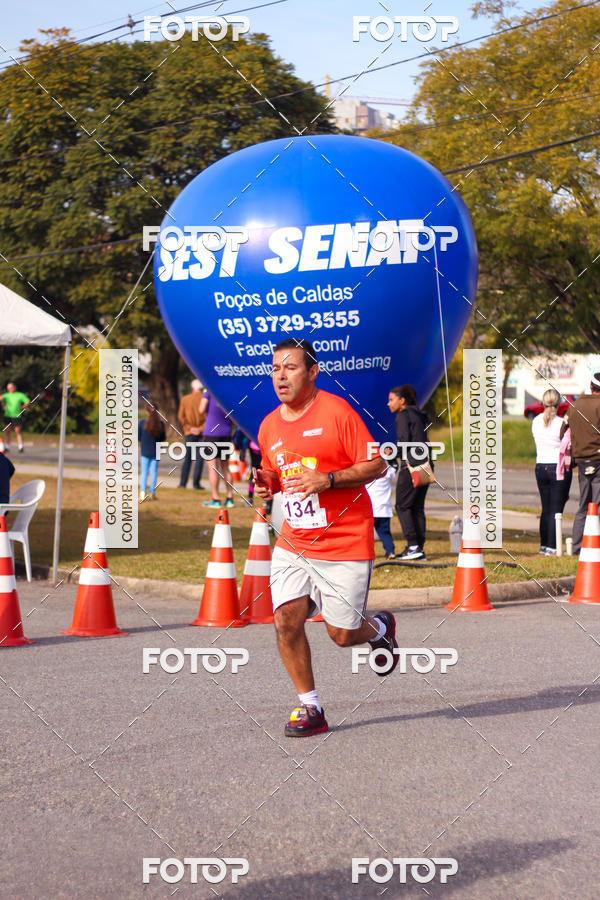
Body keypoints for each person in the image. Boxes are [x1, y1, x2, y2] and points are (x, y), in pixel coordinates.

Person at [255, 338, 398, 739]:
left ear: (312, 372)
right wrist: (266, 483)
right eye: (275, 369)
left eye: (291, 368)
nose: (280, 376)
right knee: (285, 621)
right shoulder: (269, 425)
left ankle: (380, 628)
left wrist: (329, 479)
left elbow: (377, 463)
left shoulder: (337, 412)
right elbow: (273, 472)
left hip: (344, 542)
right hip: (294, 542)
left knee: (342, 634)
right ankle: (311, 706)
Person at [387, 384, 431, 560]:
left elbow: (405, 443)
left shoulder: (403, 416)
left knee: (403, 506)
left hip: (411, 465)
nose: (388, 404)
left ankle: (413, 546)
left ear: (402, 400)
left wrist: (390, 453)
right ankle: (418, 547)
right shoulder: (418, 415)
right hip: (426, 464)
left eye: (391, 400)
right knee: (417, 506)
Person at [560, 373, 600, 552]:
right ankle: (595, 547)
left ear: (591, 386)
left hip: (582, 461)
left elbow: (563, 434)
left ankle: (576, 547)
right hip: (599, 459)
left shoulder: (573, 406)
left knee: (583, 505)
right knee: (598, 505)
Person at [531, 389, 571, 555]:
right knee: (556, 509)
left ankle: (544, 545)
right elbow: (567, 446)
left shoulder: (536, 421)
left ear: (542, 402)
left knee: (545, 508)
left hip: (540, 466)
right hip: (557, 466)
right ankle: (553, 546)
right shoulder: (561, 423)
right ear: (559, 404)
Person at [200, 390, 234, 508]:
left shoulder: (209, 391)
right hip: (226, 433)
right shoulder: (230, 394)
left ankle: (216, 498)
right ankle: (230, 498)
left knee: (212, 467)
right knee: (225, 467)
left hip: (211, 433)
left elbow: (201, 409)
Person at [178, 379, 206, 489]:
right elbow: (208, 417)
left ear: (192, 388)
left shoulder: (185, 399)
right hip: (202, 432)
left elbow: (181, 416)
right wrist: (200, 428)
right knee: (199, 459)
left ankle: (182, 483)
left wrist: (189, 427)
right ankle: (196, 483)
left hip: (189, 431)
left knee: (187, 458)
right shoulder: (205, 399)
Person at [367, 464, 396, 559]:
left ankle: (367, 553)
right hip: (384, 510)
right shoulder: (388, 470)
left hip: (371, 510)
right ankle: (390, 551)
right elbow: (394, 471)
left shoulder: (368, 472)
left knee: (367, 534)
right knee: (385, 533)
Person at [138, 408, 166, 501]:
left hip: (145, 451)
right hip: (156, 451)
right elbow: (163, 438)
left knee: (144, 473)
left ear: (146, 411)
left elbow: (139, 437)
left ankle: (142, 493)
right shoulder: (160, 424)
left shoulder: (142, 423)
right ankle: (152, 493)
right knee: (153, 472)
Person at [1, 383, 30, 453]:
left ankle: (21, 447)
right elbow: (1, 398)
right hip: (8, 416)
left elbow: (28, 402)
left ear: (14, 387)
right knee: (7, 431)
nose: (10, 389)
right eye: (8, 388)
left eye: (11, 388)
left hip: (16, 416)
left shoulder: (20, 395)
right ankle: (7, 447)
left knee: (18, 431)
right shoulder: (7, 395)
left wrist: (22, 407)